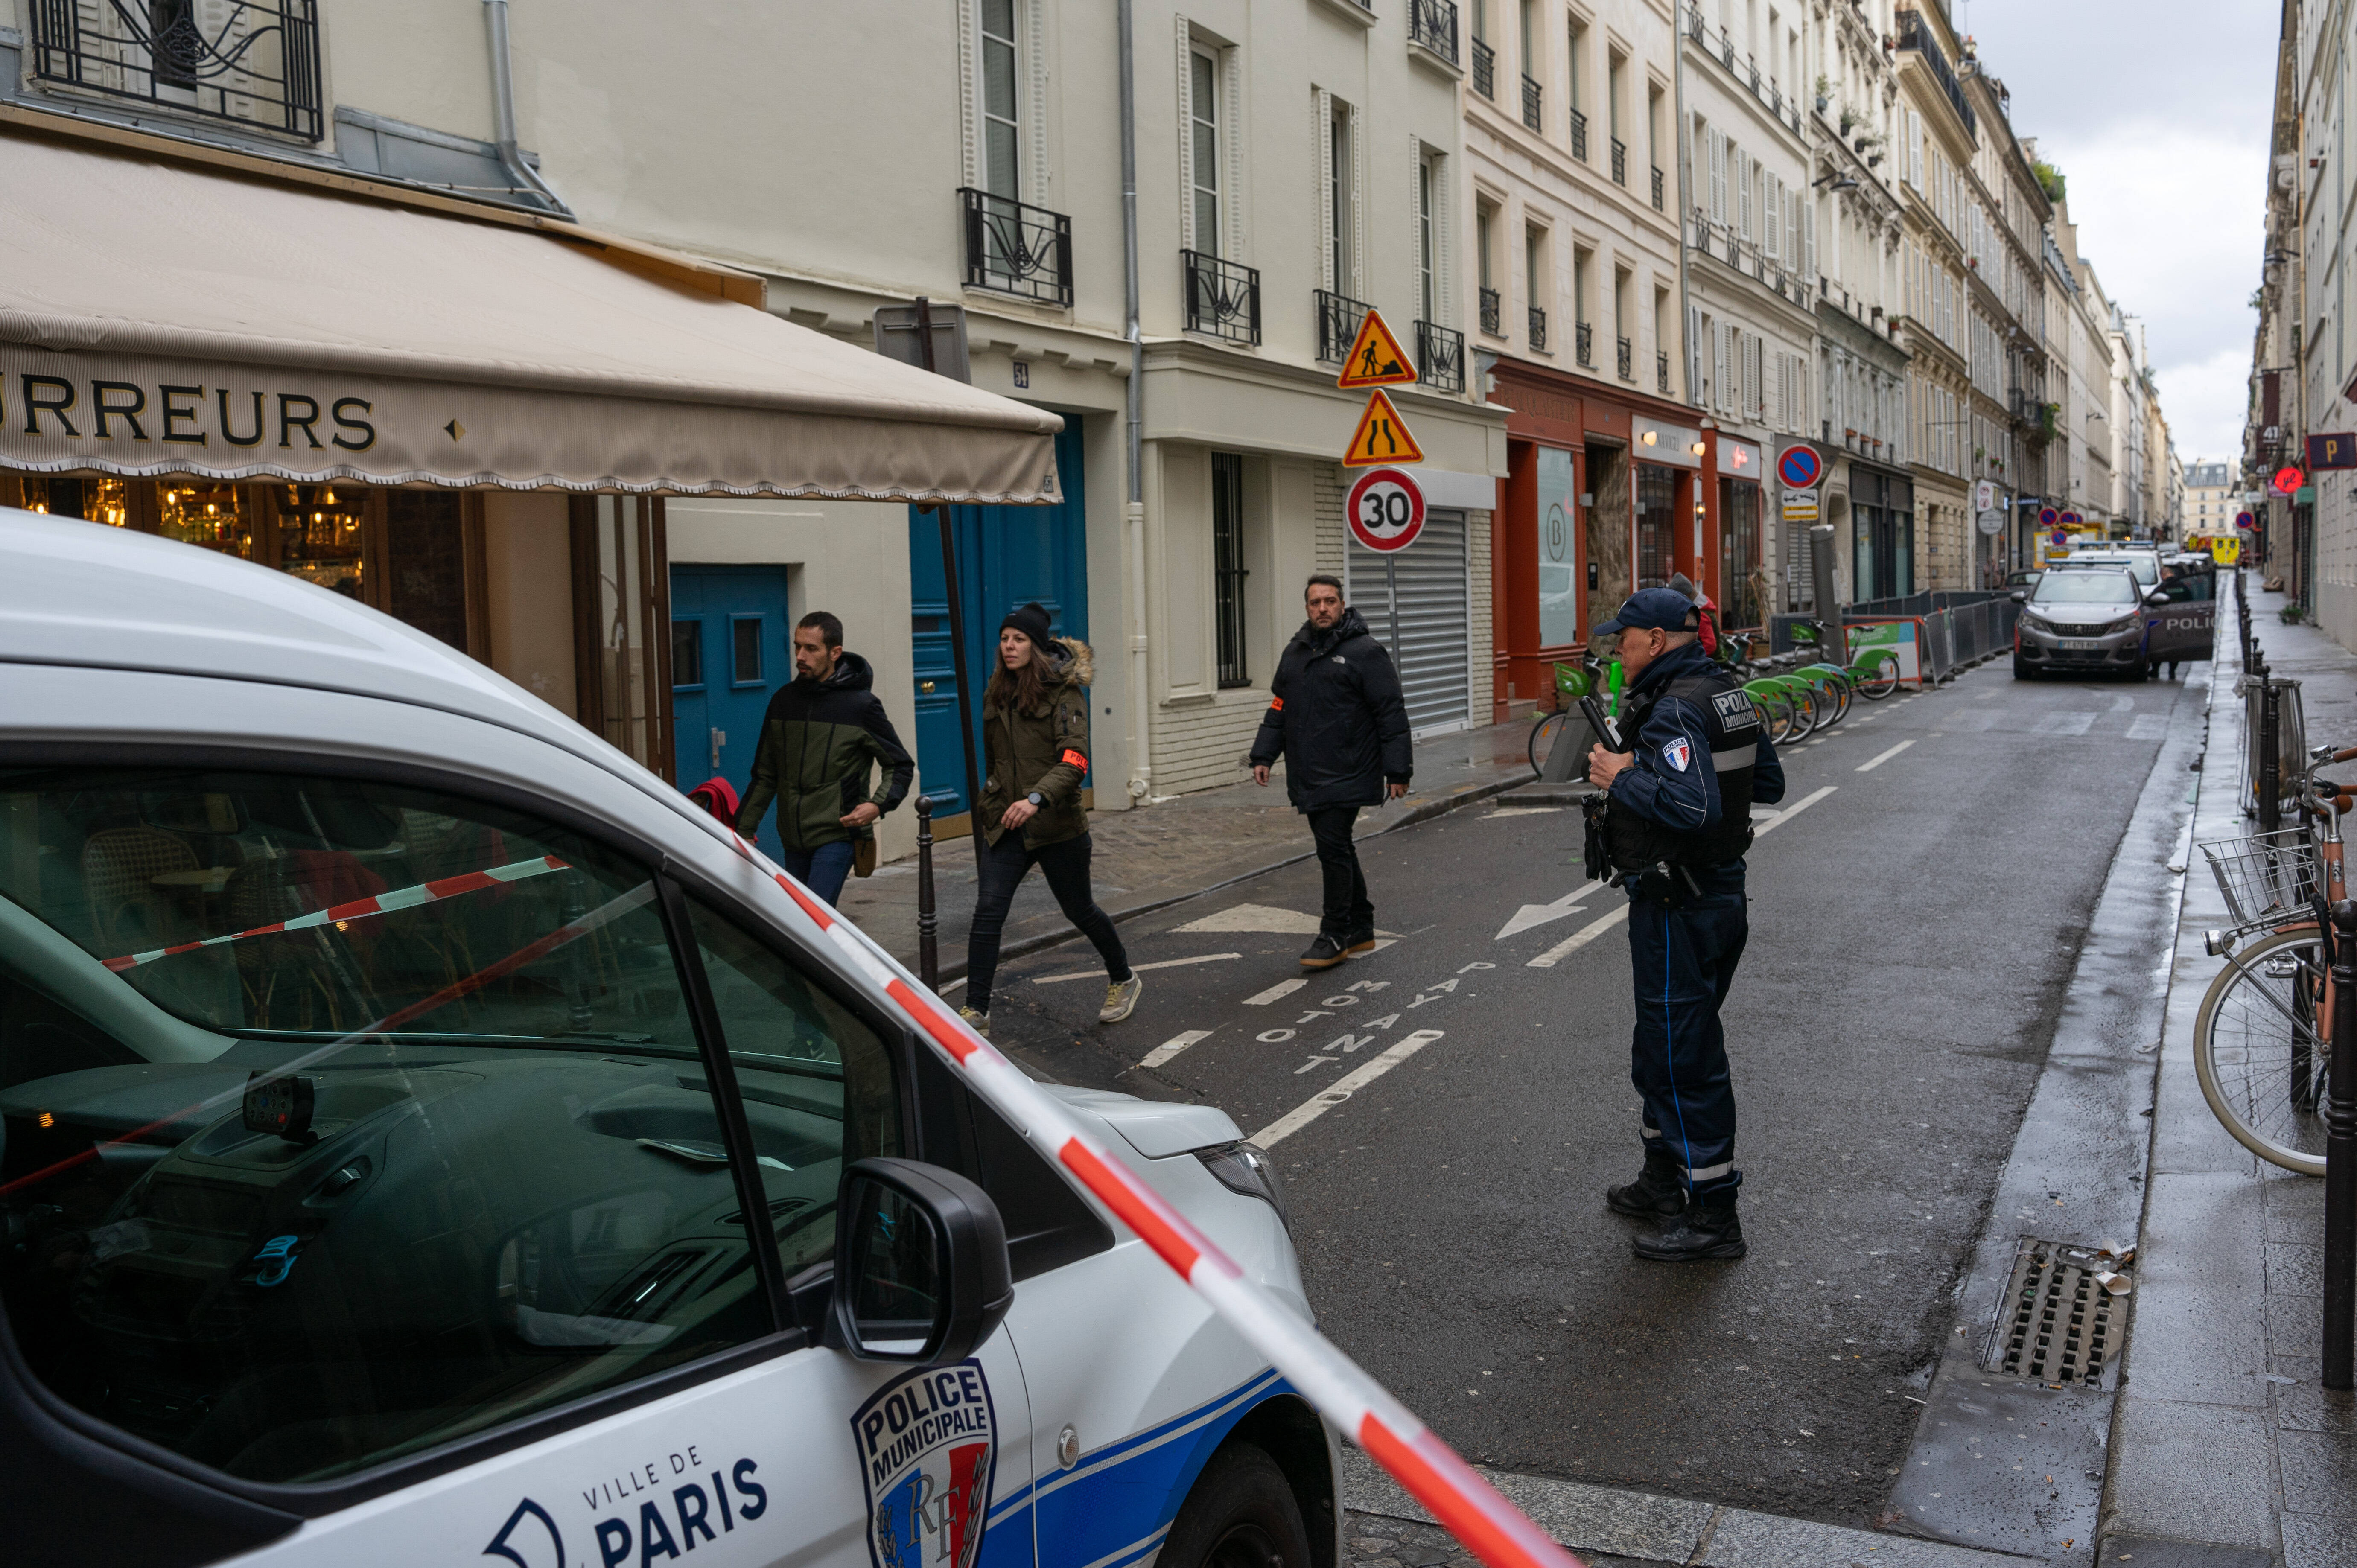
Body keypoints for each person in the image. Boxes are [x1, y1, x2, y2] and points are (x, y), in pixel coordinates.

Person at [1584, 586, 1785, 1262]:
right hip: (1721, 893)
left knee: (1682, 1056)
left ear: (1658, 641)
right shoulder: (1725, 694)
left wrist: (1621, 774)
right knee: (1662, 1043)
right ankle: (1662, 1180)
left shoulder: (1671, 709)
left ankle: (1712, 1215)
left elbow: (1692, 807)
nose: (1618, 648)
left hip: (1679, 900)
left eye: (1626, 637)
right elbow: (1768, 783)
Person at [959, 603, 1141, 1037]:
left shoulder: (1065, 693)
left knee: (1079, 909)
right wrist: (995, 800)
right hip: (1008, 822)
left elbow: (1075, 759)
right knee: (988, 910)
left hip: (1057, 824)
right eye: (1004, 638)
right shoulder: (995, 691)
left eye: (1018, 639)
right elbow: (994, 758)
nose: (1008, 645)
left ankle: (1123, 977)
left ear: (1037, 647)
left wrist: (1036, 798)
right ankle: (975, 1009)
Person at [1249, 574, 1412, 970]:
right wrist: (1263, 755)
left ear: (1342, 605)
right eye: (1315, 602)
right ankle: (1361, 926)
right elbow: (1279, 708)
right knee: (1336, 846)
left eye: (1330, 601)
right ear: (1307, 608)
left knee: (1333, 845)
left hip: (1351, 769)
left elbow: (1390, 713)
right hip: (1309, 771)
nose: (1322, 608)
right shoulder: (1295, 653)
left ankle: (1335, 932)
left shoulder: (1365, 652)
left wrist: (1398, 771)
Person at [734, 611, 913, 907]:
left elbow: (900, 765)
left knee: (813, 915)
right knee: (797, 918)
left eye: (811, 649)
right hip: (792, 838)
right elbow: (766, 775)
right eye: (797, 647)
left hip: (838, 834)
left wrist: (877, 805)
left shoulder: (860, 706)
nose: (800, 656)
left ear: (835, 653)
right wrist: (744, 828)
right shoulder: (783, 701)